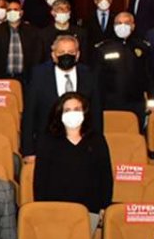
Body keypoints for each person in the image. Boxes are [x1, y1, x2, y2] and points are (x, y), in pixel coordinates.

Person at [32, 93, 113, 231]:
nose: (72, 113)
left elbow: (105, 176)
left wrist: (104, 206)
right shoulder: (48, 141)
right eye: (67, 110)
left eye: (77, 109)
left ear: (84, 112)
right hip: (55, 210)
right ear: (60, 113)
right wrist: (43, 208)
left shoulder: (97, 140)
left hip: (90, 210)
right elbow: (40, 179)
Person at [21, 35, 102, 158]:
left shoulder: (89, 75)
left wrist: (97, 147)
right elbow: (29, 115)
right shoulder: (39, 75)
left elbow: (96, 113)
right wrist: (28, 151)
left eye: (71, 52)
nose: (66, 55)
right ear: (53, 55)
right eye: (61, 52)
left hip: (82, 145)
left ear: (78, 55)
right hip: (47, 146)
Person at [94, 12, 154, 128]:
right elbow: (97, 79)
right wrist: (96, 105)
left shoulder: (142, 47)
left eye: (126, 23)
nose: (122, 26)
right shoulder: (103, 48)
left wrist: (153, 101)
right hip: (110, 103)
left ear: (133, 26)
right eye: (119, 23)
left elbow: (150, 76)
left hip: (136, 103)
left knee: (136, 134)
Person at [0, 1, 44, 82]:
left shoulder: (32, 31)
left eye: (15, 9)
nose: (12, 12)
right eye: (9, 10)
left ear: (21, 13)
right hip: (2, 77)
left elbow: (37, 55)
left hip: (26, 78)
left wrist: (35, 74)